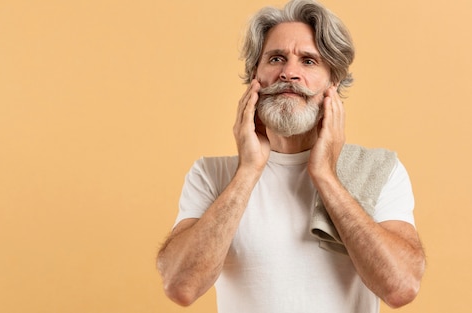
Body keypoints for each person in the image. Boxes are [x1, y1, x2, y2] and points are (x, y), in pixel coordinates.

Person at [156, 0, 426, 312]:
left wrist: (325, 175)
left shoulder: (380, 170)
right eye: (276, 58)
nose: (289, 73)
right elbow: (180, 286)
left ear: (332, 84)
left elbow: (401, 287)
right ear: (255, 77)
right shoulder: (211, 174)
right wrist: (247, 171)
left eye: (309, 62)